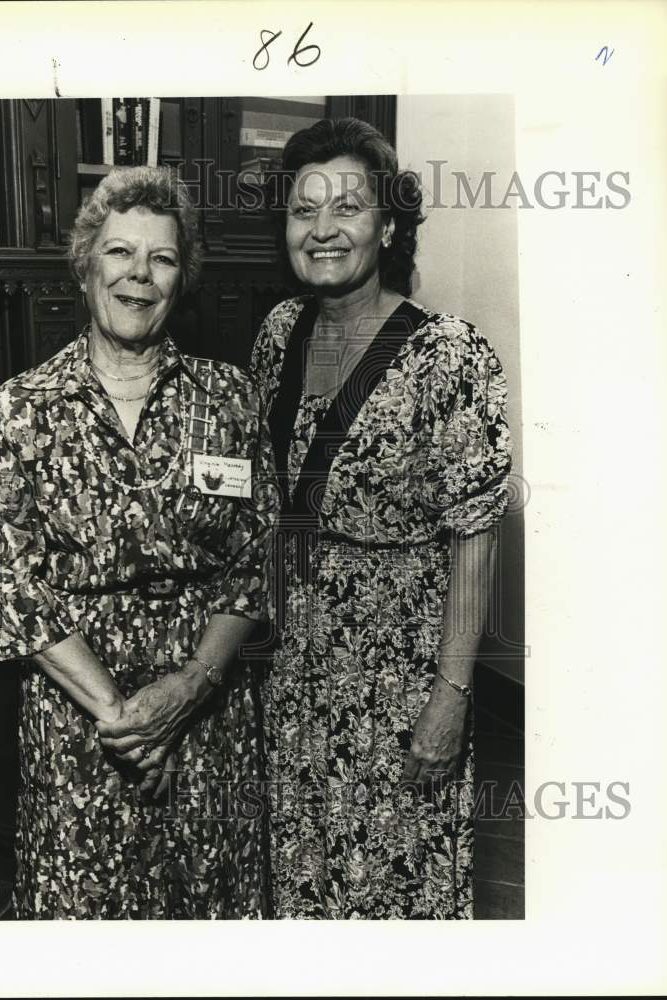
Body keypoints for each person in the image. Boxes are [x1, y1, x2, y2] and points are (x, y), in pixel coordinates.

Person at [0, 165, 277, 919]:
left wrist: (182, 695)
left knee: (209, 916)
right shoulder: (20, 410)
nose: (138, 276)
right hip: (81, 722)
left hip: (207, 712)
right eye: (119, 253)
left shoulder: (232, 398)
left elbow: (255, 563)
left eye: (163, 259)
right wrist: (126, 720)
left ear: (183, 281)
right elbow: (18, 592)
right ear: (86, 266)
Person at [251, 118, 512, 918]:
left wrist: (452, 693)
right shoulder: (278, 333)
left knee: (397, 878)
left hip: (399, 672)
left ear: (388, 225)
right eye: (304, 210)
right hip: (294, 663)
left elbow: (476, 534)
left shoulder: (451, 356)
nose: (323, 229)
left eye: (348, 208)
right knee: (305, 863)